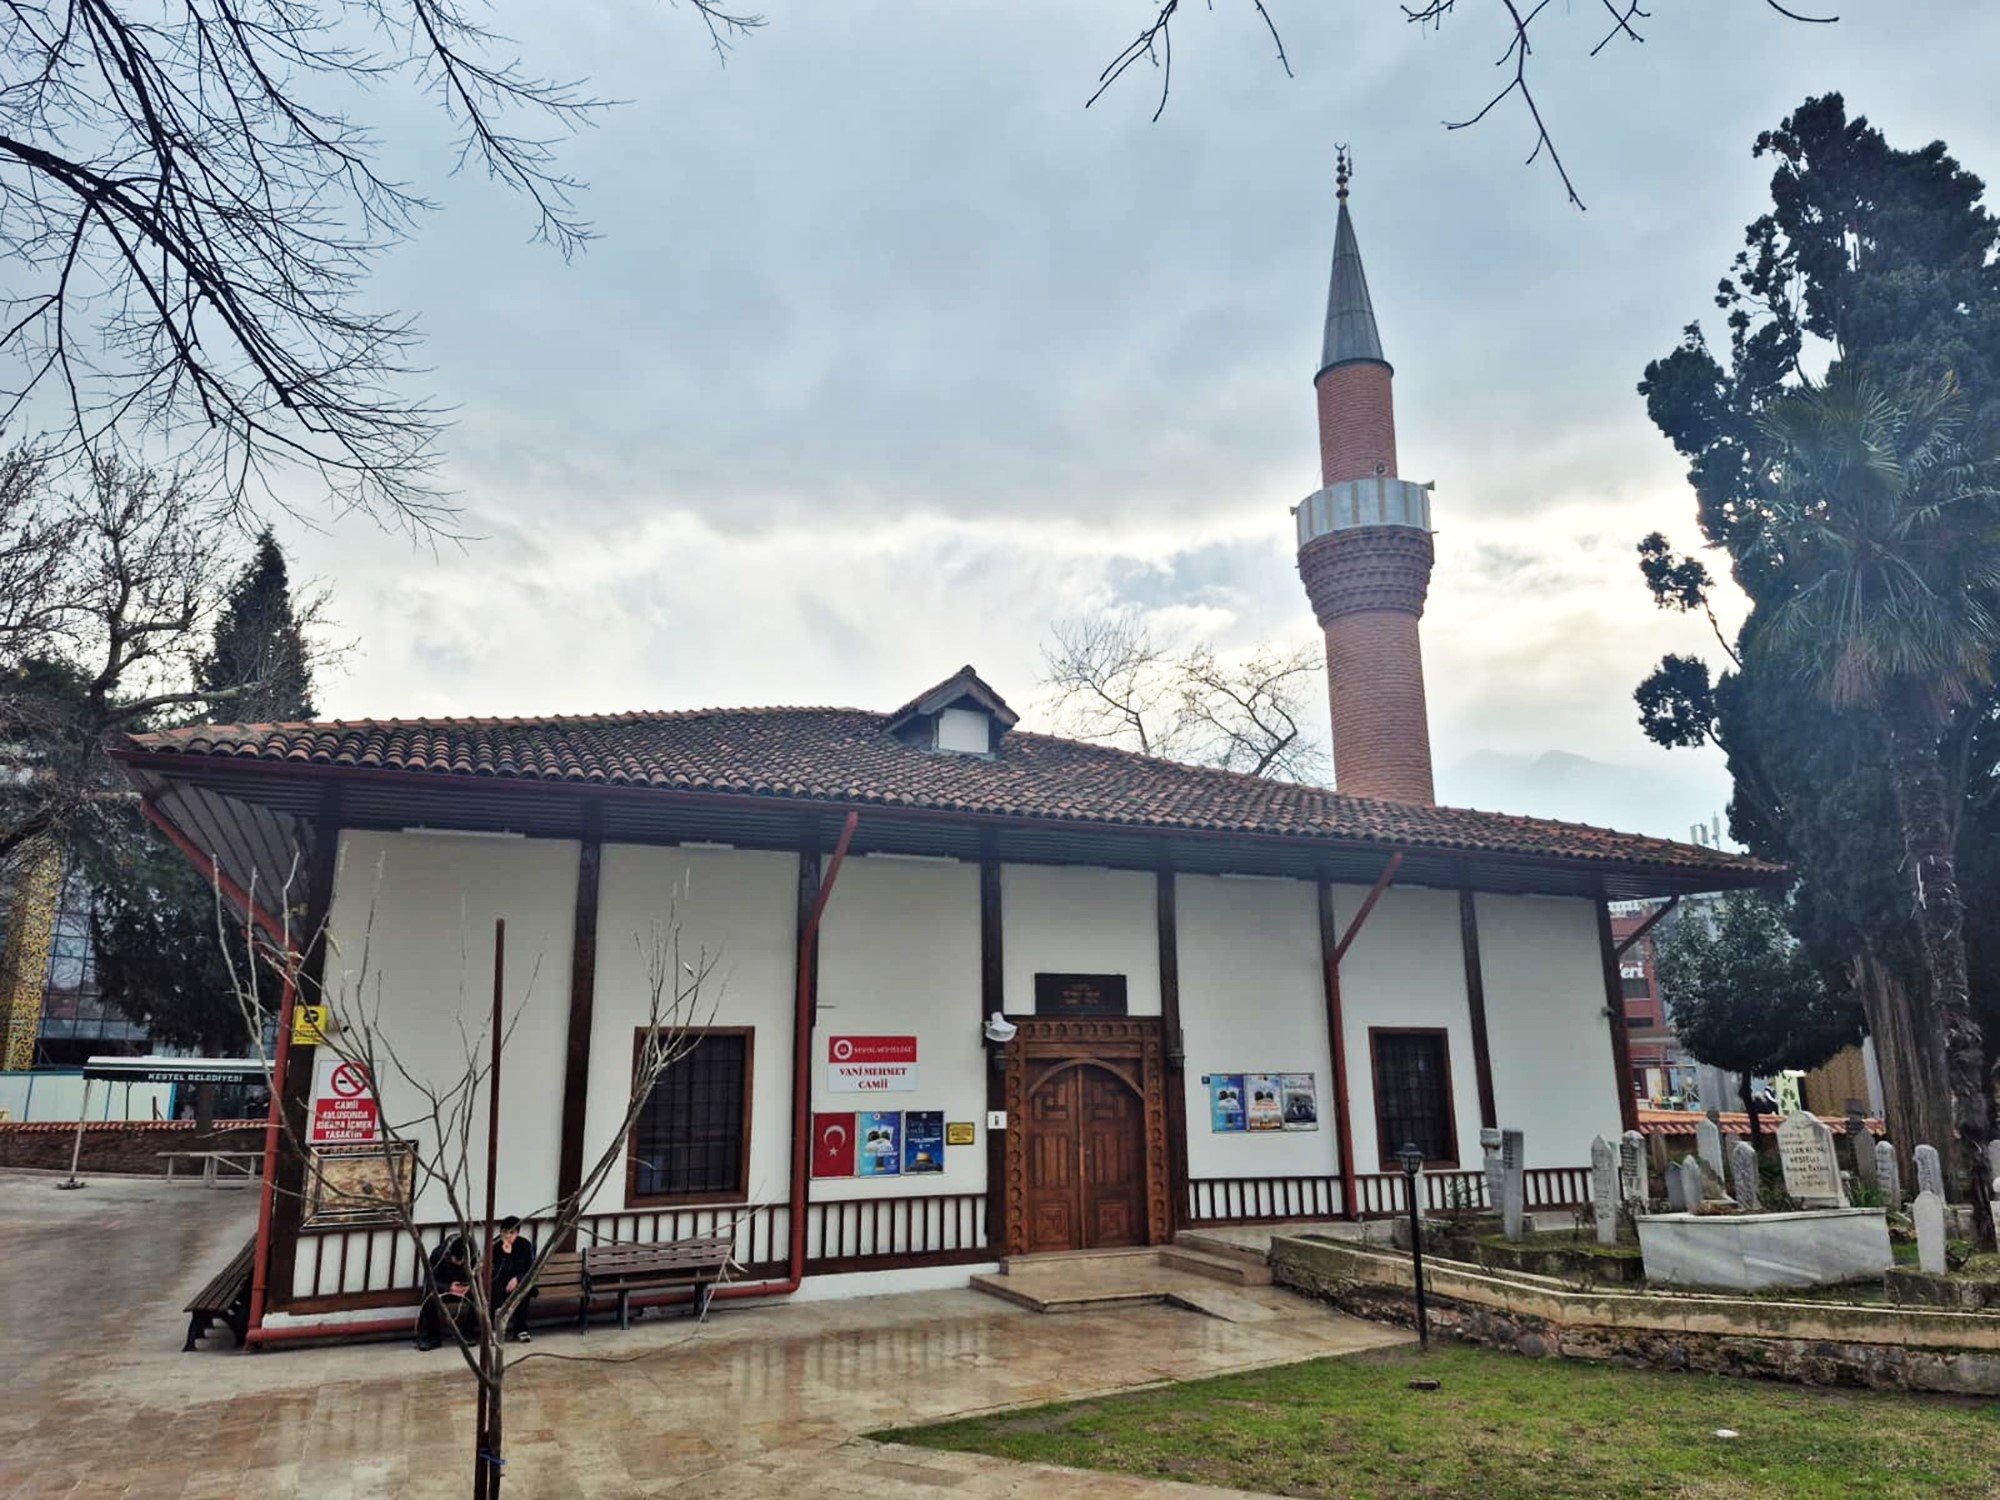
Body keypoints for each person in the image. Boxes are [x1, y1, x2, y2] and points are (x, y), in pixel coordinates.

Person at [415, 1232, 475, 1351]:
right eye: (456, 1260)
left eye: (462, 1261)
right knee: (430, 1296)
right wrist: (448, 1288)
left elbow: (479, 1276)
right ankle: (433, 1337)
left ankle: (467, 1333)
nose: (459, 1263)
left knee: (480, 1297)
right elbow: (430, 1281)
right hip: (444, 1286)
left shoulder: (473, 1254)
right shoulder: (439, 1254)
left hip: (464, 1287)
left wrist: (470, 1286)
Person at [490, 1216, 536, 1344]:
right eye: (504, 1232)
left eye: (512, 1232)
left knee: (523, 1291)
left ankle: (520, 1329)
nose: (508, 1236)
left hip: (519, 1280)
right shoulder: (495, 1245)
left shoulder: (525, 1245)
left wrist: (517, 1279)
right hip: (499, 1281)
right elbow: (495, 1271)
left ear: (517, 1233)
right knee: (495, 1291)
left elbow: (530, 1269)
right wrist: (506, 1255)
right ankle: (495, 1328)